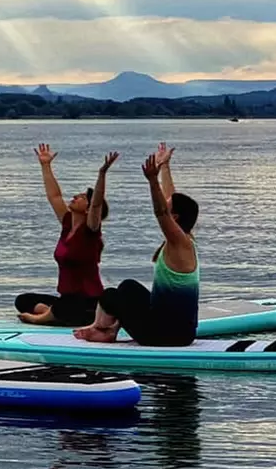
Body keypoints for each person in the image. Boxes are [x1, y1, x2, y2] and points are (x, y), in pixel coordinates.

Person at [75, 143, 200, 345]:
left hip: (168, 336)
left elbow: (161, 211)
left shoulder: (179, 242)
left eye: (169, 208)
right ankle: (107, 329)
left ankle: (102, 331)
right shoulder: (185, 238)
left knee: (110, 296)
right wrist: (165, 166)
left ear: (175, 218)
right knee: (128, 287)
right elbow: (170, 200)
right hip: (177, 330)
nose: (165, 202)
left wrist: (152, 180)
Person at [14, 145, 119, 326]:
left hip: (88, 301)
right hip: (68, 299)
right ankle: (52, 313)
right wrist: (45, 166)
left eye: (82, 197)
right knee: (23, 300)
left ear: (88, 209)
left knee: (68, 306)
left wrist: (102, 174)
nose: (75, 196)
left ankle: (46, 316)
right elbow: (54, 196)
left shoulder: (90, 231)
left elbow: (96, 204)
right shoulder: (68, 224)